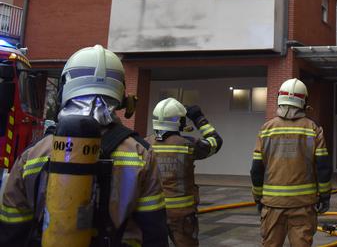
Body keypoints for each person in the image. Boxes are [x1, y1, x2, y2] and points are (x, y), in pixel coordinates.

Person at [0, 44, 168, 247]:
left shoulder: (33, 154)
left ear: (65, 89)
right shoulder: (141, 154)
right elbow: (154, 231)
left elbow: (12, 230)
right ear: (121, 95)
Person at [250, 78, 332, 247]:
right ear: (304, 101)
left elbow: (256, 169)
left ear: (280, 98)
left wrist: (258, 197)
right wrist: (324, 196)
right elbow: (323, 167)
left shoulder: (266, 129)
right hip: (303, 205)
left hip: (272, 205)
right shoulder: (313, 129)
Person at [146, 97, 223, 246]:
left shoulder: (144, 144)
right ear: (179, 122)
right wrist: (198, 118)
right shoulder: (187, 145)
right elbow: (216, 142)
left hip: (152, 212)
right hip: (182, 214)